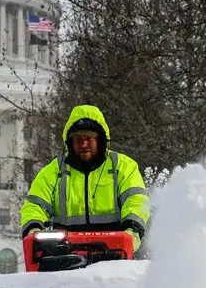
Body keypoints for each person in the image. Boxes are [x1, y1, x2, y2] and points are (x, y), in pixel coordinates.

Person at [20, 104, 151, 252]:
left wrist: (131, 231)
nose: (83, 144)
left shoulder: (123, 167)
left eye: (89, 138)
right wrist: (33, 231)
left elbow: (136, 201)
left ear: (100, 140)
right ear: (69, 142)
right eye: (77, 139)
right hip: (64, 253)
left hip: (115, 251)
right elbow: (34, 206)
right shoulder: (53, 172)